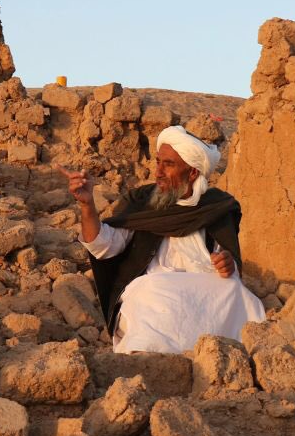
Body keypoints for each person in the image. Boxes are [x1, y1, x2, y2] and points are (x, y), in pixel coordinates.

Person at [59, 125, 265, 353]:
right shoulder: (141, 202)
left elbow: (229, 263)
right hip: (154, 295)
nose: (157, 172)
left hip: (200, 292)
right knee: (154, 289)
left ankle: (220, 350)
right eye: (158, 162)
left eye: (168, 164)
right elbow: (102, 246)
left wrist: (228, 265)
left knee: (235, 291)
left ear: (192, 173)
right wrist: (87, 205)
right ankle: (150, 354)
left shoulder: (215, 207)